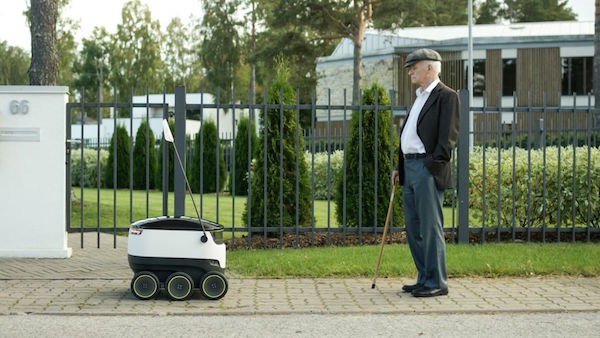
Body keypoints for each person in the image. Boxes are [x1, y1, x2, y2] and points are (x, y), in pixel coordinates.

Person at [392, 48, 459, 298]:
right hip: (409, 168)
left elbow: (447, 139)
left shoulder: (446, 96)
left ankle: (437, 282)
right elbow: (410, 136)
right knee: (413, 227)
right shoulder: (420, 96)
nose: (410, 71)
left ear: (430, 68)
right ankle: (424, 278)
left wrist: (431, 167)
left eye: (414, 67)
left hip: (426, 169)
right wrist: (400, 167)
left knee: (430, 227)